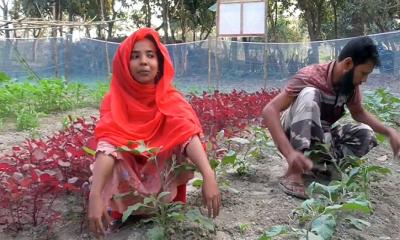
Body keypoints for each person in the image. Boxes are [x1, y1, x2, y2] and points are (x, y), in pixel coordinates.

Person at [88, 28, 220, 238]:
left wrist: (208, 175)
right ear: (124, 64)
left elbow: (187, 134)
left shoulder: (171, 99)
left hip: (165, 189)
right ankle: (123, 214)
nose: (143, 61)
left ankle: (168, 209)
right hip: (128, 185)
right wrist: (94, 195)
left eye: (150, 55)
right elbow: (107, 144)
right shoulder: (114, 101)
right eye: (135, 56)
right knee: (111, 153)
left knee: (180, 137)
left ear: (160, 63)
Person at [262, 36, 400, 199]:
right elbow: (269, 110)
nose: (364, 80)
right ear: (348, 64)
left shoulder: (350, 87)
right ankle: (293, 172)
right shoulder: (310, 76)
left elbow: (359, 113)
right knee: (310, 94)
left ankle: (319, 167)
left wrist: (389, 132)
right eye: (363, 73)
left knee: (366, 134)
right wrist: (290, 153)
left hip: (320, 135)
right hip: (293, 133)